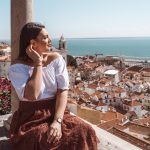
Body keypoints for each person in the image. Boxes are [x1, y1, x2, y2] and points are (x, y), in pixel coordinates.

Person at [8, 22, 98, 150]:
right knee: (43, 138)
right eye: (45, 37)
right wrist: (37, 63)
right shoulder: (17, 67)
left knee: (85, 129)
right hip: (30, 116)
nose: (50, 40)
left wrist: (57, 121)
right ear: (33, 43)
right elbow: (32, 95)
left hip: (57, 111)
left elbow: (62, 91)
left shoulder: (56, 59)